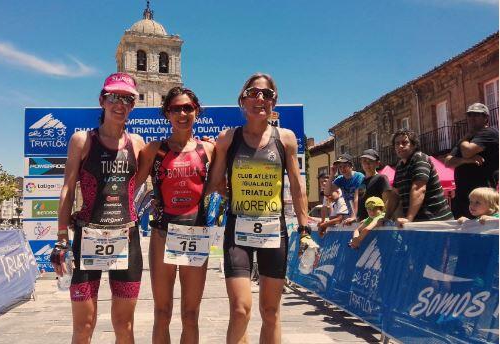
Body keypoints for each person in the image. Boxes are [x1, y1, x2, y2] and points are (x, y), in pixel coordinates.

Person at [205, 73, 310, 343]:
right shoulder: (228, 138)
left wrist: (305, 228)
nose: (260, 98)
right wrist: (210, 151)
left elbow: (298, 187)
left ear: (274, 102)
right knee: (240, 310)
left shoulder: (285, 138)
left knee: (271, 311)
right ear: (242, 100)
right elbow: (214, 183)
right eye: (253, 93)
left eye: (267, 94)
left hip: (274, 231)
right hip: (237, 230)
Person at [51, 73, 145, 344]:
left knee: (124, 325)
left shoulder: (137, 144)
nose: (120, 104)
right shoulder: (83, 140)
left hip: (126, 238)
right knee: (84, 325)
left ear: (132, 105)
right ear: (102, 100)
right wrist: (61, 238)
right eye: (114, 97)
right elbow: (68, 188)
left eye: (127, 99)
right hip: (87, 236)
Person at [135, 87, 214, 344]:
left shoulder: (209, 150)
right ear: (167, 113)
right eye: (175, 108)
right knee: (162, 313)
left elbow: (223, 186)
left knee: (191, 315)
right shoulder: (154, 150)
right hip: (162, 233)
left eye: (188, 108)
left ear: (197, 111)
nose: (182, 113)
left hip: (196, 234)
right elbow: (130, 188)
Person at [387, 129, 453, 225]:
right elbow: (395, 195)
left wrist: (409, 219)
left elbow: (419, 188)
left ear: (414, 145)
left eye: (404, 142)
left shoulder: (419, 158)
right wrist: (385, 218)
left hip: (436, 221)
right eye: (397, 143)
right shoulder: (400, 166)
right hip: (420, 223)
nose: (400, 146)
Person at [445, 103, 499, 219]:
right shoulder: (466, 139)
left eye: (476, 115)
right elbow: (448, 162)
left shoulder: (489, 133)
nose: (471, 118)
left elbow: (467, 151)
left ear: (486, 118)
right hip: (462, 198)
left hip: (482, 197)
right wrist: (467, 161)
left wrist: (464, 141)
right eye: (469, 115)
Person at [324, 153, 364, 224]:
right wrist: (332, 174)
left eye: (345, 166)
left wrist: (353, 216)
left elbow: (356, 198)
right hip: (351, 213)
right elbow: (327, 193)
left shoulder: (359, 177)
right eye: (340, 167)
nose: (342, 169)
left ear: (351, 166)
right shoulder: (340, 179)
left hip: (363, 213)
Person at [355, 149, 394, 222]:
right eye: (364, 161)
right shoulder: (361, 182)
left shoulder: (382, 178)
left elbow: (388, 203)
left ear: (377, 163)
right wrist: (355, 218)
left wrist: (377, 220)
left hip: (376, 224)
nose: (367, 164)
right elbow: (360, 204)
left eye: (370, 161)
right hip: (362, 223)